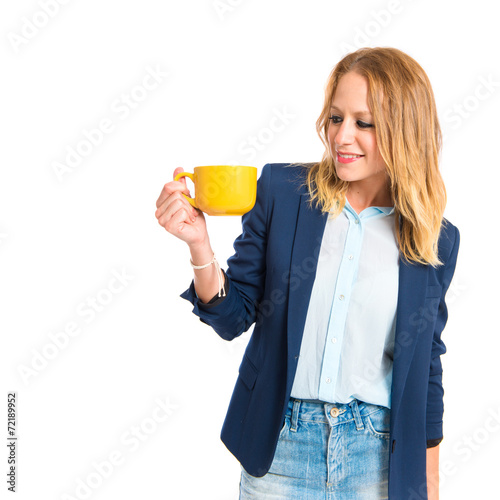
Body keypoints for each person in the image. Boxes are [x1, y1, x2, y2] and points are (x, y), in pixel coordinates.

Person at [155, 47, 460, 499]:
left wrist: (429, 484)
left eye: (364, 123)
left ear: (404, 131)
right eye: (336, 118)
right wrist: (200, 245)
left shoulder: (434, 238)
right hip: (282, 448)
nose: (342, 136)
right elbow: (233, 317)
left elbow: (425, 366)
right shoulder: (282, 192)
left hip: (376, 456)